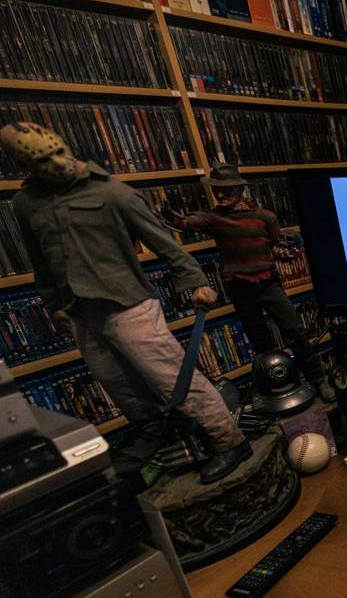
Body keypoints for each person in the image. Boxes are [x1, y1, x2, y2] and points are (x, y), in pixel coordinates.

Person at [1, 122, 250, 483]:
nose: (55, 163)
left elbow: (161, 239)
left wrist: (195, 280)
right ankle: (158, 437)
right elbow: (40, 259)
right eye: (41, 160)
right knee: (118, 384)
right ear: (24, 164)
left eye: (57, 152)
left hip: (128, 304)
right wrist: (53, 302)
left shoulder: (111, 192)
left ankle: (229, 440)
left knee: (172, 378)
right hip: (79, 310)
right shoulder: (26, 204)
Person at [177, 163, 335, 403]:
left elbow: (279, 244)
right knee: (260, 340)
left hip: (268, 282)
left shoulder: (265, 217)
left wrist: (286, 250)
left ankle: (319, 379)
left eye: (227, 189)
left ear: (240, 189)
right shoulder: (213, 218)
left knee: (294, 332)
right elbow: (190, 223)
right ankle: (278, 387)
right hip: (239, 285)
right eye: (217, 190)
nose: (221, 194)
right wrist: (174, 220)